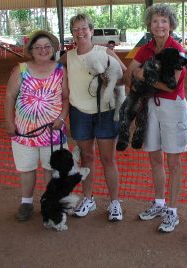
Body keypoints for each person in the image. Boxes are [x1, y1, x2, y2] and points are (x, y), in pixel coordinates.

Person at [123, 4, 187, 233]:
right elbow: (130, 71)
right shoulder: (146, 48)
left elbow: (171, 86)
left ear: (171, 24)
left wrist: (144, 77)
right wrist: (134, 91)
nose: (159, 25)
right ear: (149, 26)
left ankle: (172, 211)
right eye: (155, 21)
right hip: (150, 105)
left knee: (173, 162)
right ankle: (159, 202)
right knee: (154, 158)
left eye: (163, 21)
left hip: (172, 106)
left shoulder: (177, 49)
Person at [59, 13, 126, 221]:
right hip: (79, 113)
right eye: (76, 29)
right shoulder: (67, 57)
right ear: (72, 34)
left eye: (84, 28)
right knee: (87, 158)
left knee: (108, 159)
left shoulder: (105, 52)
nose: (80, 32)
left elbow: (124, 76)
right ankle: (88, 198)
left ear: (91, 30)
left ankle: (115, 202)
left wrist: (110, 80)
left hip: (105, 112)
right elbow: (51, 70)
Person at [4, 30, 69, 222]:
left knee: (51, 168)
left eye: (47, 46)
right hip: (24, 132)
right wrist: (9, 122)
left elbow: (66, 98)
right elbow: (9, 96)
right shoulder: (21, 69)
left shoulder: (60, 70)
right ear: (31, 50)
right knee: (26, 168)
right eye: (38, 47)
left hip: (53, 132)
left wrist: (62, 118)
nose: (43, 50)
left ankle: (49, 204)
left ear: (53, 49)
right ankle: (26, 203)